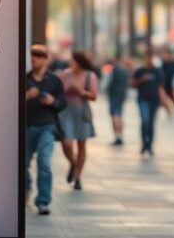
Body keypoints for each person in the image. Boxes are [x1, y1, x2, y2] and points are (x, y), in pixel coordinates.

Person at [25, 44, 67, 216]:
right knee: (22, 164)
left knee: (44, 162)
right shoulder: (24, 79)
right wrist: (27, 96)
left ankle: (43, 201)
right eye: (33, 55)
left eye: (39, 55)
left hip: (47, 126)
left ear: (46, 59)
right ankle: (26, 188)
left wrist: (52, 102)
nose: (34, 58)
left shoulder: (55, 81)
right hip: (26, 127)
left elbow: (63, 103)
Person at [58, 51, 98, 191]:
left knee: (81, 144)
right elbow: (57, 91)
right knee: (66, 142)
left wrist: (80, 91)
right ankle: (73, 163)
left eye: (73, 61)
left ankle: (78, 177)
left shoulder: (89, 76)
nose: (71, 63)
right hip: (66, 112)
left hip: (82, 112)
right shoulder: (65, 74)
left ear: (79, 62)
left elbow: (94, 96)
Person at [132, 50, 172, 156]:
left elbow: (161, 87)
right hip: (143, 99)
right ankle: (144, 143)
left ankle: (149, 145)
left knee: (151, 123)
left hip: (154, 100)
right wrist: (142, 79)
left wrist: (165, 102)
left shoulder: (158, 71)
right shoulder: (140, 70)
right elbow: (132, 83)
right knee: (145, 121)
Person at [106, 57, 131, 147]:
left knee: (115, 115)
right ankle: (120, 136)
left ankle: (117, 137)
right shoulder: (124, 71)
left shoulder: (114, 70)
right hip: (122, 95)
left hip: (114, 95)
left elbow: (107, 82)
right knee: (119, 115)